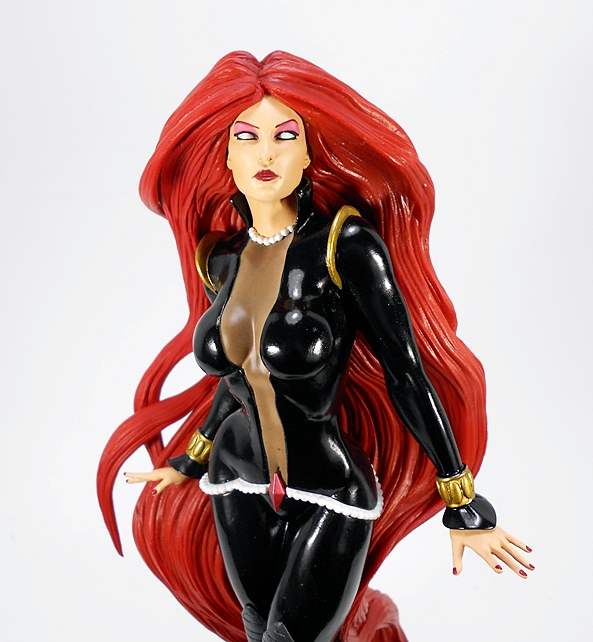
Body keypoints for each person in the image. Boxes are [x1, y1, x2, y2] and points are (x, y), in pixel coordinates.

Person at [98, 51, 533, 642]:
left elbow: (406, 372)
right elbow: (239, 379)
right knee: (256, 629)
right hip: (237, 475)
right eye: (247, 138)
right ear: (225, 156)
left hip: (330, 489)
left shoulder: (344, 243)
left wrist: (462, 497)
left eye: (285, 136)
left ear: (308, 154)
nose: (266, 153)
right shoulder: (220, 259)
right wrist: (192, 458)